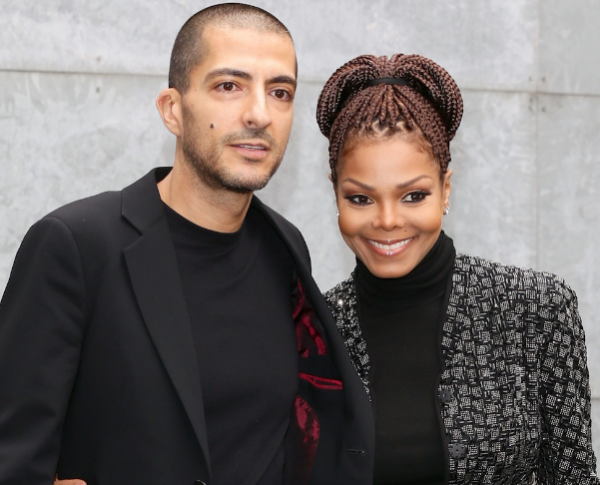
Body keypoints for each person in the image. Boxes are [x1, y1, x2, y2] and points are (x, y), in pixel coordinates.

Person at [0, 4, 374, 485]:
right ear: (172, 110)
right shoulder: (76, 245)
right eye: (229, 86)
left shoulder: (285, 248)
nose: (259, 113)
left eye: (280, 92)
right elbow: (12, 452)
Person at [316, 53, 599, 484]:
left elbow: (573, 476)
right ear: (335, 194)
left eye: (414, 196)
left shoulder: (537, 308)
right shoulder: (313, 329)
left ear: (445, 189)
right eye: (360, 198)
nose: (387, 220)